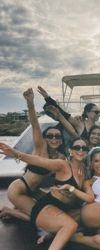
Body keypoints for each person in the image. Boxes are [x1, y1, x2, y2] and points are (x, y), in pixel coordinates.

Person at [0, 138, 93, 250]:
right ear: (70, 150)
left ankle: (39, 227)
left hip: (59, 211)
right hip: (46, 207)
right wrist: (15, 154)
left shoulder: (83, 171)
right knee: (70, 226)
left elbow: (87, 198)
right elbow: (39, 161)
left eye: (84, 147)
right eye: (77, 146)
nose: (81, 150)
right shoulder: (63, 165)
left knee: (84, 217)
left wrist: (72, 189)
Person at [0, 88, 65, 221]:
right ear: (45, 138)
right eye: (50, 136)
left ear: (61, 139)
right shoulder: (41, 149)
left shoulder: (61, 158)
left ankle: (18, 208)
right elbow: (35, 124)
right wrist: (30, 103)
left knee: (58, 209)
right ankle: (8, 210)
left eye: (57, 136)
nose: (54, 139)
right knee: (43, 220)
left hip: (35, 192)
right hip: (19, 189)